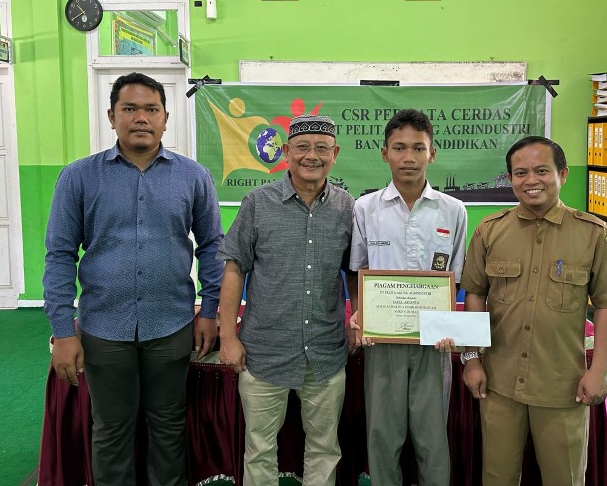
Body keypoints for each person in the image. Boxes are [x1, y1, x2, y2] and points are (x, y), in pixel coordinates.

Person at [43, 72, 224, 486]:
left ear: (165, 118)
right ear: (112, 116)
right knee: (111, 430)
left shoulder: (193, 176)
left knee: (168, 425)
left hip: (171, 324)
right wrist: (63, 331)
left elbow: (212, 246)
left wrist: (210, 311)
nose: (141, 117)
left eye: (151, 109)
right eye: (129, 108)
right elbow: (60, 255)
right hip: (104, 327)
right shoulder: (78, 177)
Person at [460, 136, 607, 486]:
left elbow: (606, 305)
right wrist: (473, 359)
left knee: (564, 477)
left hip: (562, 385)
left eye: (541, 170)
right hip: (500, 381)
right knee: (497, 476)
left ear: (562, 174)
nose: (530, 180)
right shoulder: (489, 231)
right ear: (510, 178)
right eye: (520, 173)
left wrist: (598, 371)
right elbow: (475, 295)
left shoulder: (592, 234)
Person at [218, 114, 354, 486]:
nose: (312, 156)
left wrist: (357, 318)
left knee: (325, 449)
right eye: (302, 147)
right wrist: (228, 338)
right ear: (286, 151)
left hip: (325, 352)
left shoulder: (347, 208)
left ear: (335, 154)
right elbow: (234, 270)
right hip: (264, 351)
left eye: (322, 148)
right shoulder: (257, 203)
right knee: (260, 450)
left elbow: (354, 272)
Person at [349, 108, 467, 486]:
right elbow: (357, 270)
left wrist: (451, 328)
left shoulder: (454, 210)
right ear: (384, 153)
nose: (409, 157)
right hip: (382, 340)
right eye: (399, 148)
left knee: (432, 437)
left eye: (418, 148)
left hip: (434, 341)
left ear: (432, 153)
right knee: (383, 434)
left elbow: (457, 279)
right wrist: (361, 318)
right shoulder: (365, 208)